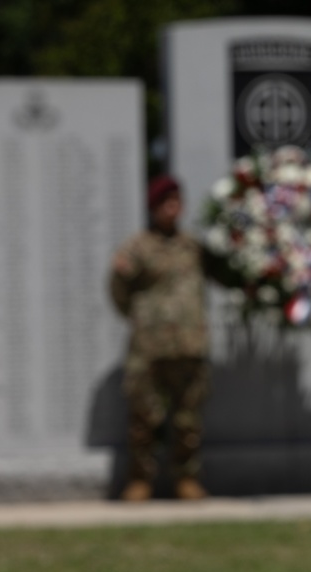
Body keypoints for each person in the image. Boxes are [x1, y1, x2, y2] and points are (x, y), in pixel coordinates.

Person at [109, 175, 221, 501]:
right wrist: (141, 320)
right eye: (164, 202)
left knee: (188, 419)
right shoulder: (137, 247)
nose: (172, 208)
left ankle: (186, 479)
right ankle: (140, 480)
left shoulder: (194, 247)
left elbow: (225, 273)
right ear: (153, 207)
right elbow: (118, 289)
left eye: (176, 201)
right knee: (144, 418)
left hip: (189, 344)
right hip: (150, 348)